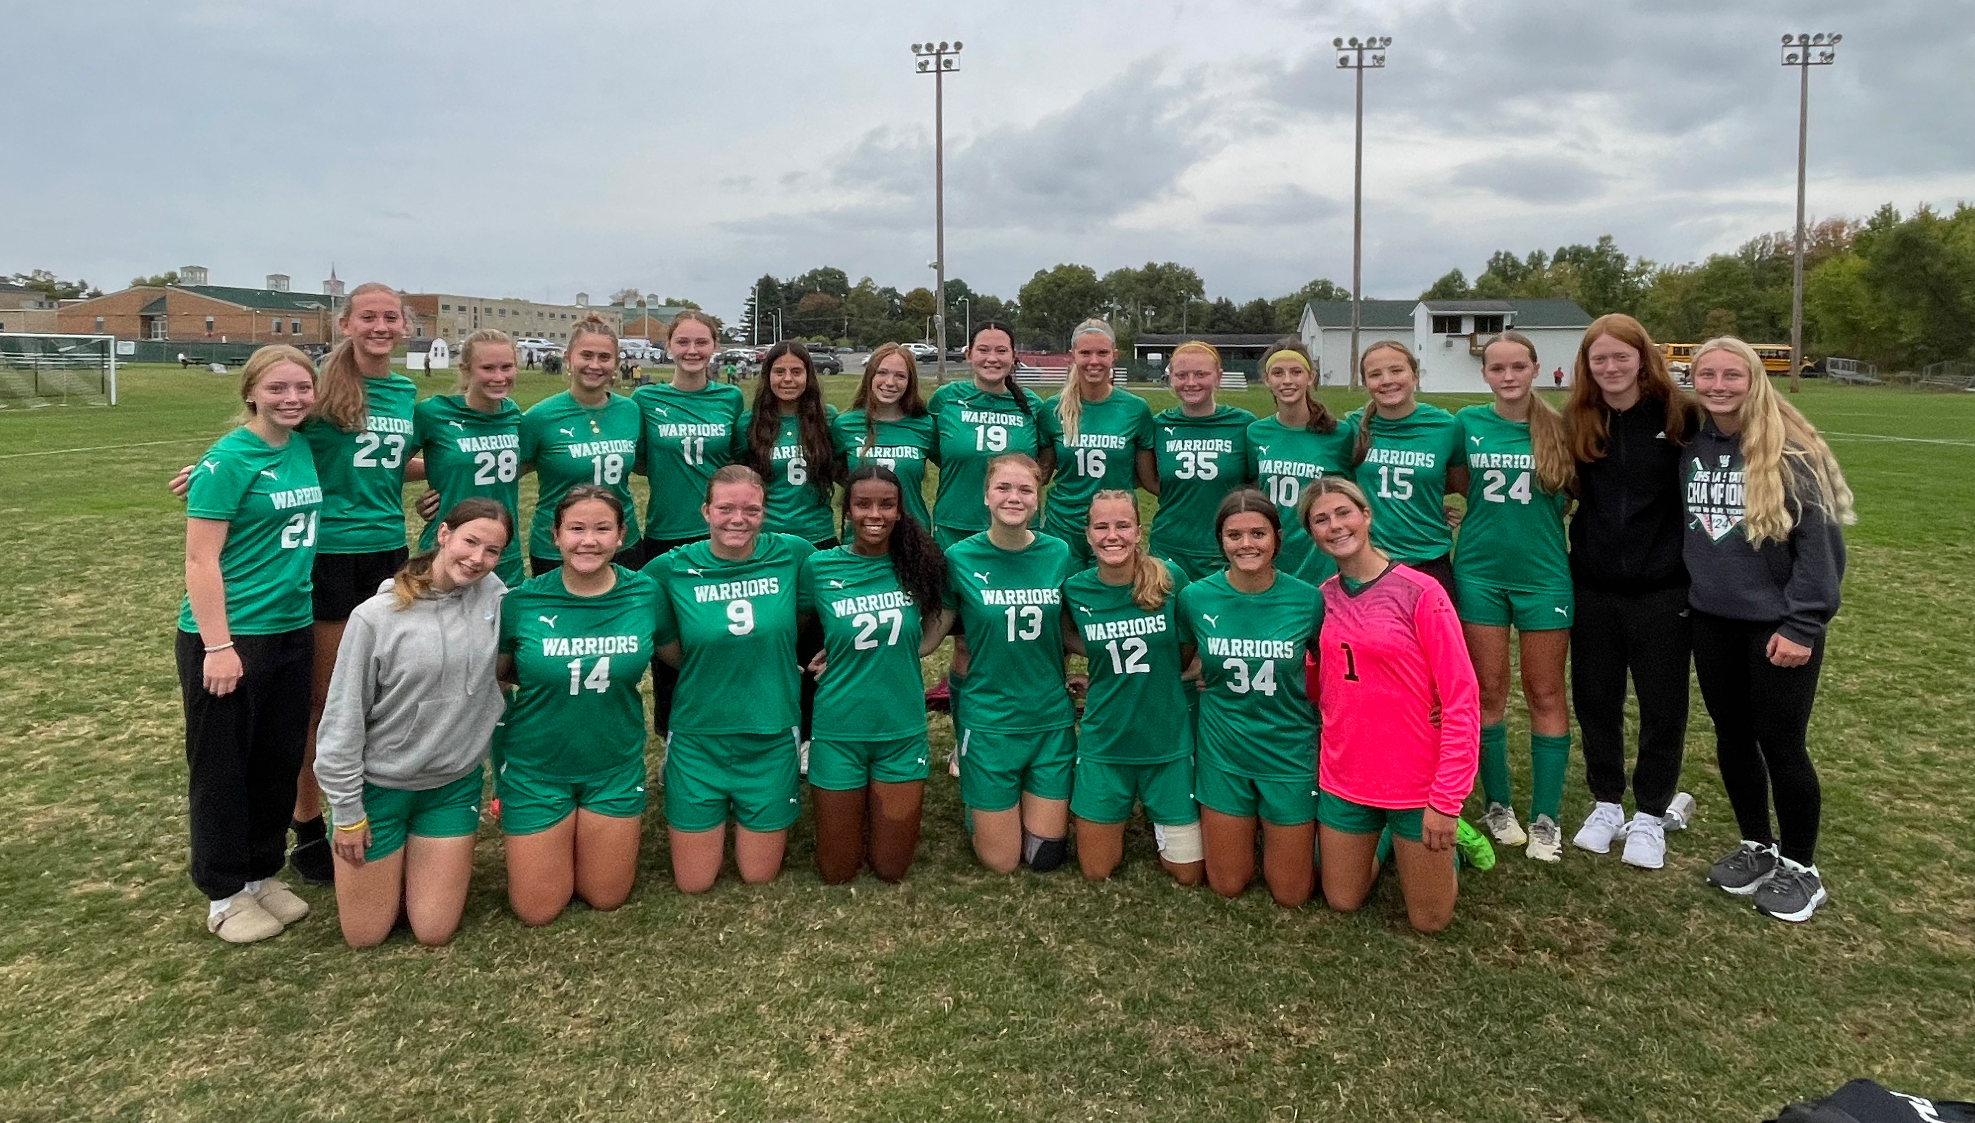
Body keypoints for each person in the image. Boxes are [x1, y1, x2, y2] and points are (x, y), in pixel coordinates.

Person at [1683, 337, 1852, 922]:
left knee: (1782, 745)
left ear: (1754, 379)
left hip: (1778, 628)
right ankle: (1758, 843)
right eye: (1707, 375)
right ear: (1694, 380)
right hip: (1712, 621)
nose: (1719, 385)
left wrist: (1802, 623)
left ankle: (1802, 869)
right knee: (1732, 737)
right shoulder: (1692, 444)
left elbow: (1820, 551)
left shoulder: (1789, 453)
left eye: (1732, 375)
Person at [315, 499, 511, 947]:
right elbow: (342, 718)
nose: (477, 559)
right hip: (379, 790)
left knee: (433, 931)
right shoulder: (374, 617)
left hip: (451, 786)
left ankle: (411, 870)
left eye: (493, 551)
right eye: (470, 542)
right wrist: (346, 812)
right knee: (366, 936)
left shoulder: (495, 599)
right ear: (443, 534)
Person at [176, 344, 323, 942]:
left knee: (277, 758)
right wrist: (218, 644)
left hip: (292, 627)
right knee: (222, 767)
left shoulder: (303, 445)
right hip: (233, 636)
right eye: (278, 388)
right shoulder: (229, 457)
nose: (292, 398)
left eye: (302, 388)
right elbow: (199, 559)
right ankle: (222, 892)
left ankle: (261, 873)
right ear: (251, 393)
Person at [1303, 477, 1480, 933]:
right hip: (1347, 774)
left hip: (1414, 780)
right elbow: (1315, 683)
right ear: (1311, 534)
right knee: (1342, 899)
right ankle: (1382, 837)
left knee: (1429, 921)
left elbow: (1461, 697)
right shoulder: (1320, 598)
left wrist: (1446, 799)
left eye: (1344, 513)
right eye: (1321, 519)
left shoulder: (1421, 592)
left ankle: (1447, 839)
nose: (1335, 525)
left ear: (1366, 515)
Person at [1563, 313, 1700, 869]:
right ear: (1587, 366)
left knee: (1663, 703)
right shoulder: (1578, 418)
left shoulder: (1679, 415)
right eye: (1601, 359)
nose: (1612, 367)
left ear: (1643, 358)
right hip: (1593, 586)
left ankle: (1650, 812)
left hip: (1663, 588)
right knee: (1595, 698)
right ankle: (1606, 802)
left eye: (1622, 356)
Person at [646, 466, 815, 892]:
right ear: (705, 511)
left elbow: (817, 607)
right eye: (725, 508)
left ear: (764, 512)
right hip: (699, 733)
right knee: (694, 882)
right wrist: (711, 663)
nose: (737, 518)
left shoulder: (793, 553)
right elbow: (661, 639)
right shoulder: (668, 568)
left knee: (758, 875)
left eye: (751, 509)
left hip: (771, 730)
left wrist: (775, 655)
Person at [496, 486, 655, 925]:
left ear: (622, 535)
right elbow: (499, 678)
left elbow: (682, 654)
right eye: (577, 529)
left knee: (606, 896)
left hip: (614, 765)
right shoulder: (522, 601)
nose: (589, 540)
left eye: (603, 529)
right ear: (555, 535)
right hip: (536, 768)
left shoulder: (646, 593)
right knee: (537, 910)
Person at [1456, 333, 1576, 861]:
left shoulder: (1560, 429)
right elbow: (1450, 481)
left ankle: (1546, 817)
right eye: (1497, 368)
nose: (1508, 376)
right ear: (1485, 374)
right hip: (1479, 574)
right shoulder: (1467, 425)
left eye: (1517, 367)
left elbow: (1576, 497)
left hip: (1545, 576)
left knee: (1546, 692)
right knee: (1487, 690)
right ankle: (1498, 805)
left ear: (1535, 369)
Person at [928, 454, 1077, 873]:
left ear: (1037, 499)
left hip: (1048, 717)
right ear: (986, 497)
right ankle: (978, 798)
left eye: (1025, 490)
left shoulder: (1058, 553)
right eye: (1004, 488)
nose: (1014, 497)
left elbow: (1070, 630)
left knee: (1043, 857)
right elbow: (932, 635)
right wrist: (854, 645)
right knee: (1003, 861)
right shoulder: (959, 557)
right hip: (990, 717)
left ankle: (1012, 793)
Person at [800, 466, 949, 883]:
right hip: (838, 729)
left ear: (901, 511)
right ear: (846, 510)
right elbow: (789, 625)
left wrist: (919, 644)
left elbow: (953, 610)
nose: (875, 514)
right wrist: (816, 655)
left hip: (900, 729)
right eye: (863, 504)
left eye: (887, 504)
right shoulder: (819, 567)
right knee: (837, 871)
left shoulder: (919, 565)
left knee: (890, 868)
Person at [1177, 489, 1321, 907]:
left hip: (1289, 749)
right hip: (1225, 749)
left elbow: (1331, 665)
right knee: (1227, 883)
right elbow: (1185, 662)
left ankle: (1378, 832)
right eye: (1233, 535)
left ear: (1277, 538)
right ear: (1220, 540)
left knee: (1291, 894)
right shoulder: (1195, 597)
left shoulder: (1308, 600)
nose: (1246, 545)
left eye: (1258, 533)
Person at [1061, 491, 1202, 884]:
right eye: (1101, 526)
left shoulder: (1170, 578)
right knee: (1096, 869)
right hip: (1106, 742)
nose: (1112, 536)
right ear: (1087, 534)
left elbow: (1187, 647)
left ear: (1139, 530)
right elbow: (1069, 639)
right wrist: (1101, 676)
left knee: (1188, 873)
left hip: (1166, 742)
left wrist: (1186, 672)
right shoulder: (1075, 589)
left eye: (1123, 525)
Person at [631, 311, 746, 738]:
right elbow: (638, 460)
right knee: (671, 642)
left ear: (714, 345)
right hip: (666, 532)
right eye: (683, 342)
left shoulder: (729, 399)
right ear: (669, 347)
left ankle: (727, 726)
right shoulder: (646, 400)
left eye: (701, 342)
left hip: (720, 533)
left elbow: (735, 462)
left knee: (723, 635)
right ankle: (672, 735)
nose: (692, 351)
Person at [517, 315, 644, 576]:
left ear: (616, 363)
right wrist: (446, 493)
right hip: (558, 547)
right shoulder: (540, 417)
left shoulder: (630, 410)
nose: (594, 365)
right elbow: (506, 474)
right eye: (586, 355)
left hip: (622, 542)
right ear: (568, 358)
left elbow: (646, 464)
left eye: (604, 357)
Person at [1344, 341, 1466, 598]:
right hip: (1369, 560)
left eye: (1396, 370)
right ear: (1365, 382)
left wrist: (1426, 501)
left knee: (1434, 639)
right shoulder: (1352, 427)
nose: (1387, 380)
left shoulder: (1446, 427)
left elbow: (1458, 483)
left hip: (1428, 560)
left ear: (1414, 374)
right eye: (1375, 374)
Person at [1040, 319, 1157, 571]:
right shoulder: (1052, 408)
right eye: (1085, 353)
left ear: (1114, 355)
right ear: (1072, 356)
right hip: (1064, 525)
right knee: (1061, 601)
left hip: (1113, 528)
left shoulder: (1135, 409)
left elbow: (1147, 478)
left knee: (1109, 600)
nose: (1094, 361)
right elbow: (1043, 473)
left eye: (1102, 353)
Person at [410, 329, 524, 587]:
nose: (499, 377)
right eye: (488, 368)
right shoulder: (433, 413)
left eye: (507, 367)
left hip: (504, 550)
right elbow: (390, 467)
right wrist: (436, 483)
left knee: (501, 625)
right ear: (465, 369)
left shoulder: (514, 415)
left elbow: (519, 466)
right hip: (447, 548)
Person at [926, 322, 1051, 550]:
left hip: (1017, 526)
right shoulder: (945, 399)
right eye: (983, 350)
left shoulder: (1032, 405)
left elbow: (1042, 463)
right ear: (968, 354)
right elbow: (935, 450)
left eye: (1001, 351)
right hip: (956, 525)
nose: (992, 358)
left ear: (1014, 356)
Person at [1247, 338, 1353, 586]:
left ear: (1310, 377)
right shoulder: (1255, 432)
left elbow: (1361, 488)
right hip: (1271, 547)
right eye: (1278, 373)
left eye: (1296, 372)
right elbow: (1250, 485)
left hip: (1319, 552)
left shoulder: (1339, 434)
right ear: (1266, 380)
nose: (1287, 380)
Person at [1150, 341, 1256, 581]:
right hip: (1169, 545)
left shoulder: (1243, 424)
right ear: (1171, 378)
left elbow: (1256, 482)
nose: (1191, 383)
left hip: (1222, 547)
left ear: (1218, 376)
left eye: (1201, 374)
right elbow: (1148, 478)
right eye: (1182, 375)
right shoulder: (1158, 425)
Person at [740, 340, 841, 549]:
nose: (788, 379)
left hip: (817, 534)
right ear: (767, 376)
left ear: (808, 376)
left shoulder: (827, 418)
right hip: (766, 536)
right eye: (779, 372)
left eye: (796, 372)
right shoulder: (748, 422)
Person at [833, 342, 937, 532]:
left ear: (910, 382)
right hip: (861, 537)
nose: (890, 382)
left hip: (913, 535)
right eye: (882, 373)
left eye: (900, 376)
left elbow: (954, 465)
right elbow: (831, 470)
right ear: (870, 376)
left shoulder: (925, 425)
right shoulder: (844, 425)